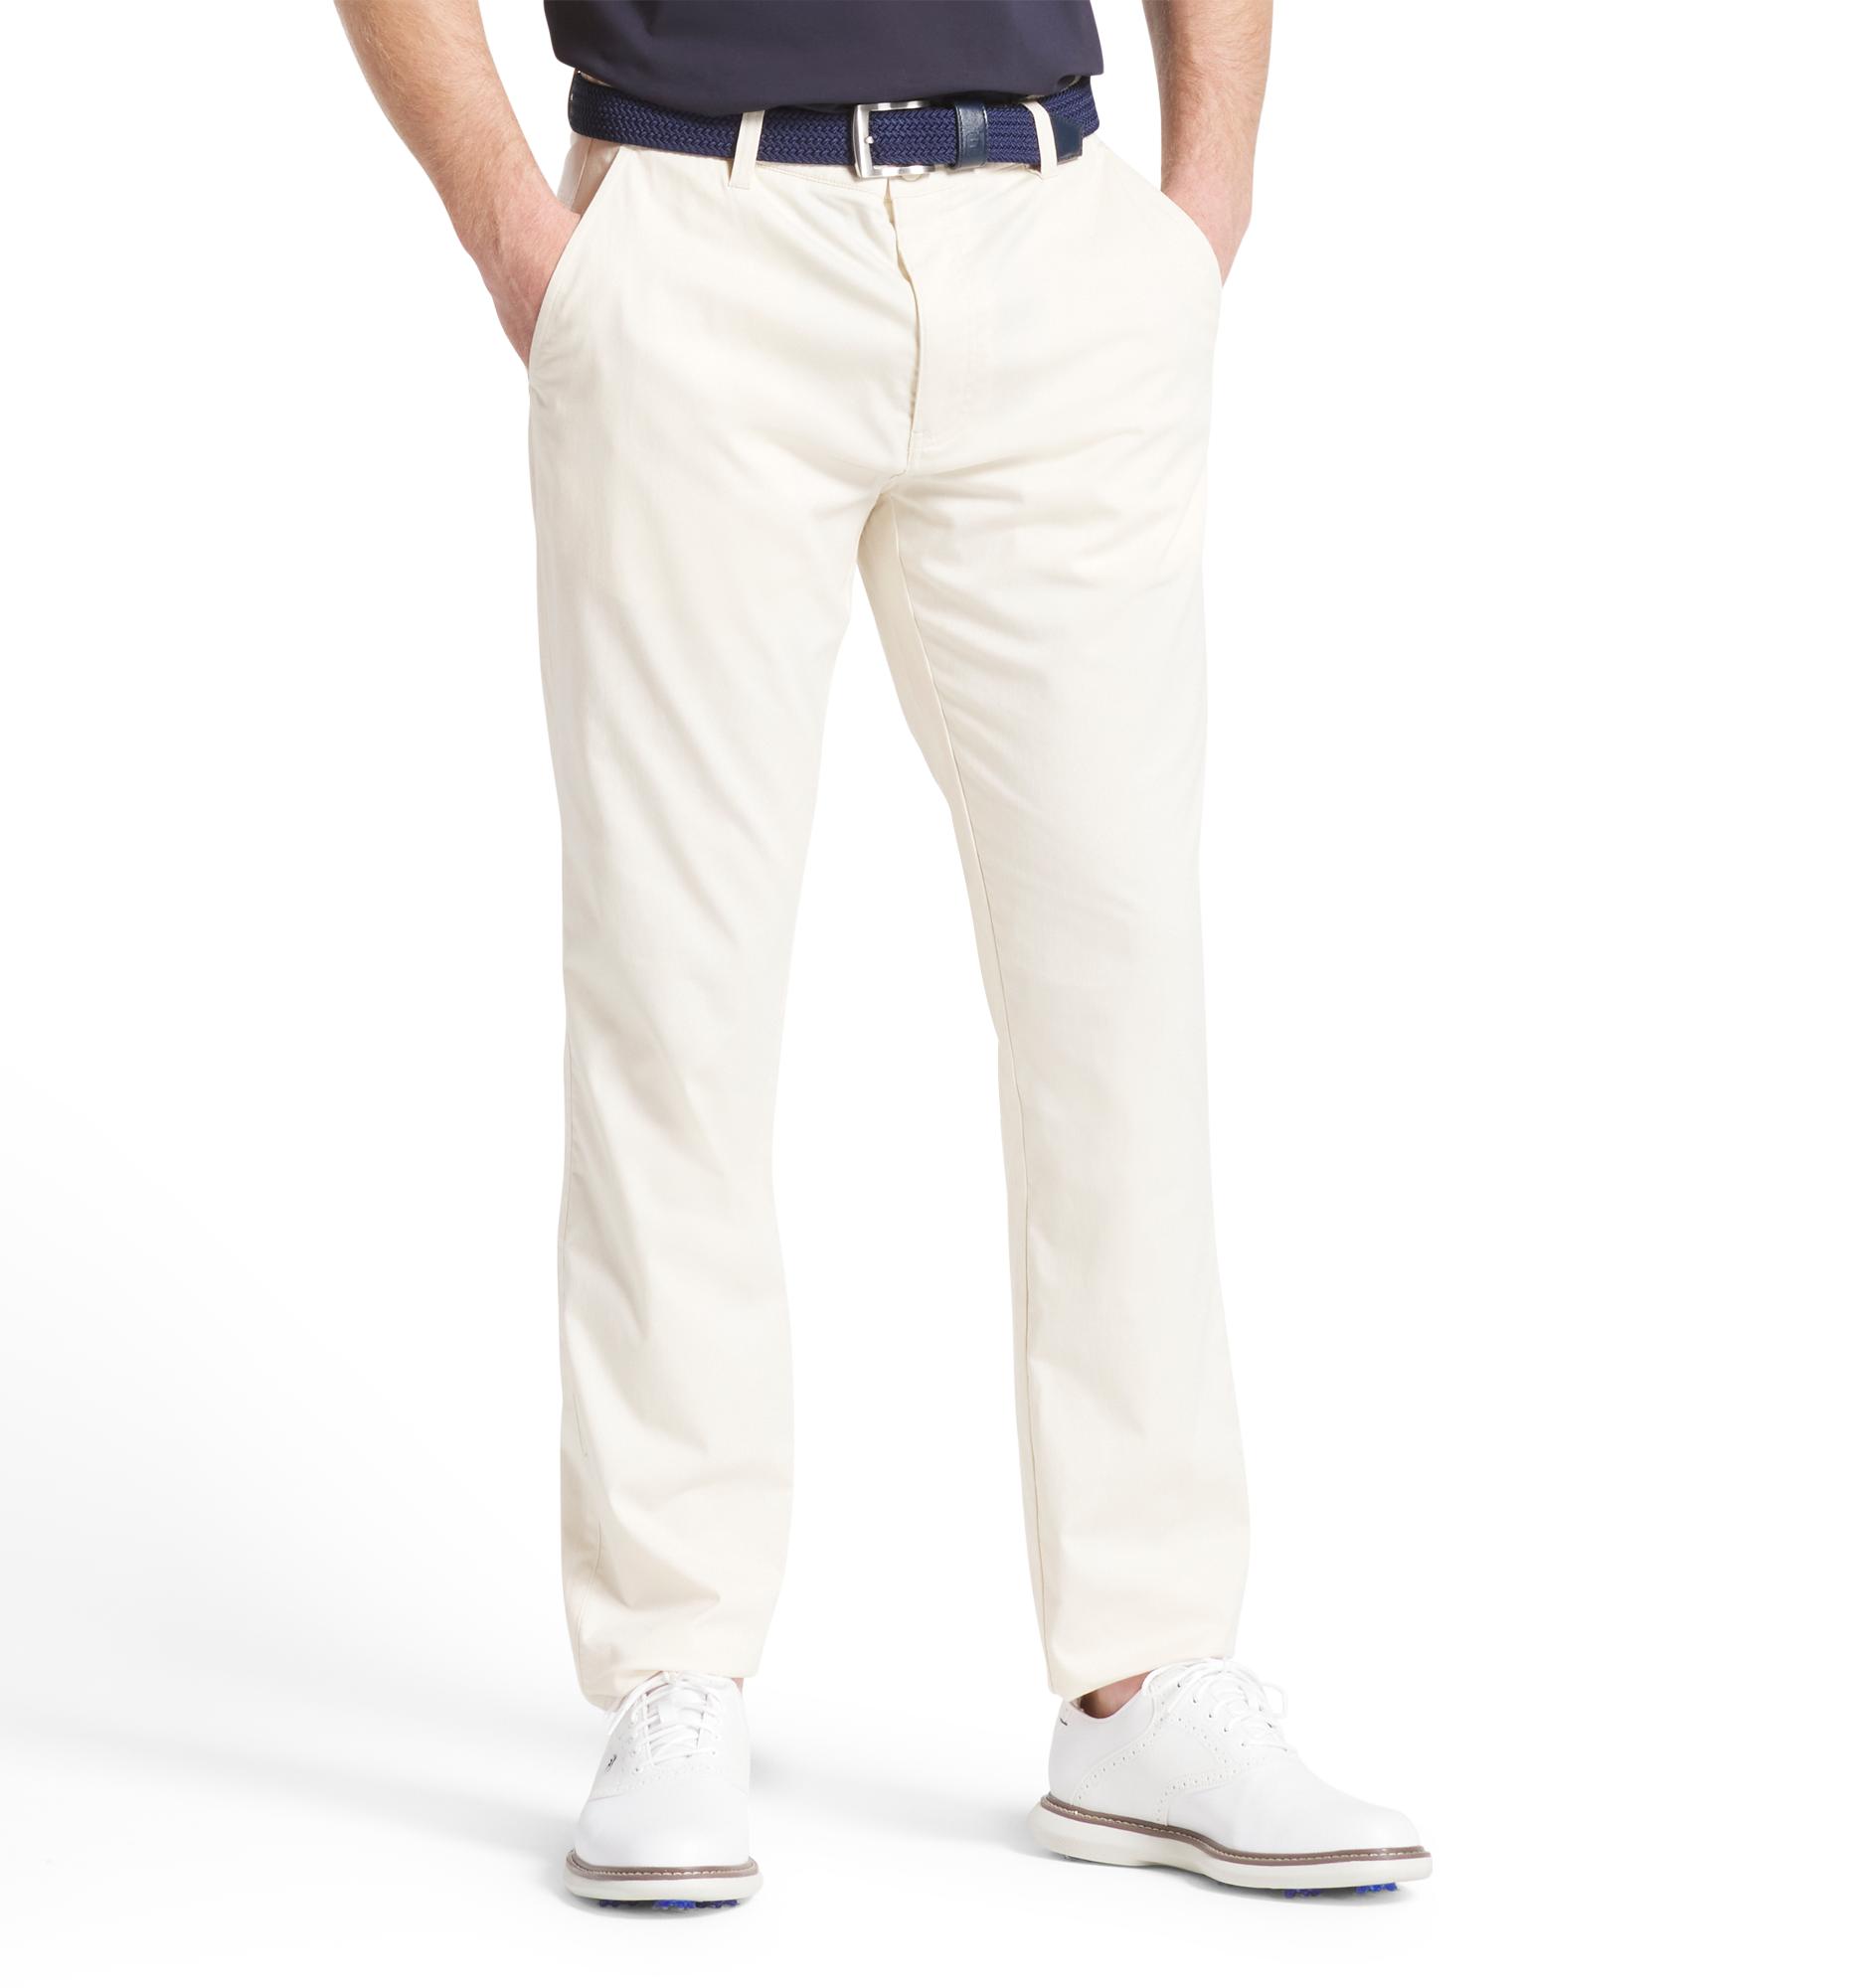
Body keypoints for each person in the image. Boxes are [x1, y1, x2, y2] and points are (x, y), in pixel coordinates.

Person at [337, 0, 1430, 1907]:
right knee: (674, 985)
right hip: (697, 228)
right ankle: (674, 1674)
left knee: (1117, 974)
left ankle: (1147, 1670)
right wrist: (516, 229)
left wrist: (1204, 203)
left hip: (1055, 238)